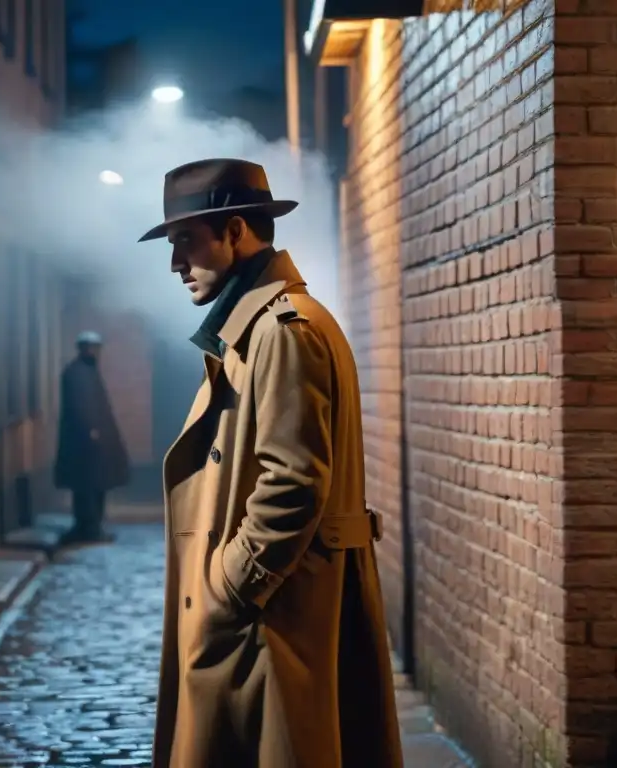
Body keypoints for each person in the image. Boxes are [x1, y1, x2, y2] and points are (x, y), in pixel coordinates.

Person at [139, 158, 403, 767]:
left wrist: (229, 589)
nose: (176, 263)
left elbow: (293, 483)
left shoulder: (282, 330)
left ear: (235, 231)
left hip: (272, 623)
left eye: (186, 241)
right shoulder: (259, 326)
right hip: (269, 618)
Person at [53, 330, 131, 544]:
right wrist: (92, 431)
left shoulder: (88, 371)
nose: (94, 351)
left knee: (95, 487)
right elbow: (81, 407)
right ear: (82, 348)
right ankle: (87, 528)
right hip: (84, 445)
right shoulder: (76, 373)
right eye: (90, 347)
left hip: (94, 445)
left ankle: (92, 527)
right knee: (86, 488)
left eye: (96, 347)